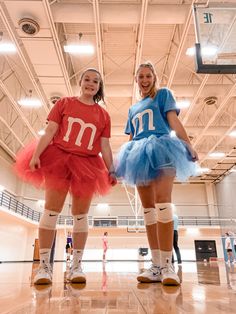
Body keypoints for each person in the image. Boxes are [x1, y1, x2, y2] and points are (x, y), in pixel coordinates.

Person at [14, 68, 117, 285]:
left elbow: (105, 145)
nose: (90, 83)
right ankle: (43, 267)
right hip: (59, 158)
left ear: (99, 87)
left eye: (95, 81)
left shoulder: (103, 115)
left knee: (81, 214)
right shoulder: (64, 103)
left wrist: (111, 168)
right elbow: (50, 130)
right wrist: (36, 155)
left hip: (88, 163)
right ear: (80, 82)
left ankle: (76, 265)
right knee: (51, 211)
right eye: (87, 79)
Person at [116, 61, 198, 286]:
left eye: (148, 76)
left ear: (154, 78)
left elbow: (173, 121)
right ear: (136, 80)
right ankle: (155, 264)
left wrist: (188, 144)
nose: (144, 80)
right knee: (148, 211)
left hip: (162, 149)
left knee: (163, 204)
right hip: (138, 154)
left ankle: (167, 265)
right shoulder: (132, 109)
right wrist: (125, 163)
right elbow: (131, 138)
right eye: (140, 77)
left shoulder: (163, 94)